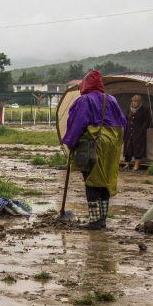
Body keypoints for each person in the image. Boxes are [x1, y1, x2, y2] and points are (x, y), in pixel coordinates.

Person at [61, 70, 126, 230]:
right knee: (105, 180)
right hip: (113, 145)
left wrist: (70, 142)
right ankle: (102, 219)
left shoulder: (84, 100)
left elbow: (77, 123)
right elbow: (123, 122)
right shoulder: (111, 99)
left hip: (94, 143)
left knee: (91, 179)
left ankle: (95, 221)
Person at [123, 94, 150, 171]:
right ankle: (127, 164)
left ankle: (136, 165)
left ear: (140, 102)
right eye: (133, 101)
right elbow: (126, 120)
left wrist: (142, 130)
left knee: (138, 148)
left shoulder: (144, 110)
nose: (134, 103)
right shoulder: (129, 110)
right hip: (129, 132)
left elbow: (147, 122)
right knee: (128, 147)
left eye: (136, 101)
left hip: (139, 133)